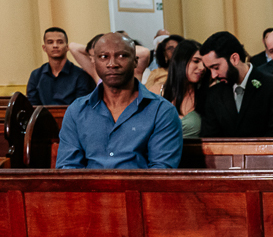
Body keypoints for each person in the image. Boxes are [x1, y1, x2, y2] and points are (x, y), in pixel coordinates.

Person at [56, 34, 182, 169]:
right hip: (89, 189)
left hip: (140, 189)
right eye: (104, 57)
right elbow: (67, 167)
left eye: (122, 56)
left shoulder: (162, 111)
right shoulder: (77, 110)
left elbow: (161, 171)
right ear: (94, 62)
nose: (112, 64)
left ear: (135, 61)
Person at [198, 31, 273, 138]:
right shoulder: (214, 94)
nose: (213, 75)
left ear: (234, 58)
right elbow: (210, 138)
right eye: (209, 69)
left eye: (216, 67)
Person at [26, 27, 95, 106]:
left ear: (67, 47)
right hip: (42, 117)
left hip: (72, 117)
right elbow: (32, 106)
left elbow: (81, 106)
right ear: (44, 48)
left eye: (60, 42)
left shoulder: (81, 75)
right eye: (50, 42)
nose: (55, 45)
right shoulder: (36, 75)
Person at [161, 39, 209, 139]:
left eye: (204, 64)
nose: (202, 67)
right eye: (196, 61)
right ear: (180, 61)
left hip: (195, 153)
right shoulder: (157, 91)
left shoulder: (207, 96)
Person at [70, 32, 152, 85]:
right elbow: (73, 47)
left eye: (105, 56)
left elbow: (144, 52)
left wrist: (114, 47)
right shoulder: (95, 69)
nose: (92, 60)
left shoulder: (132, 69)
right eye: (101, 56)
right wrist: (97, 50)